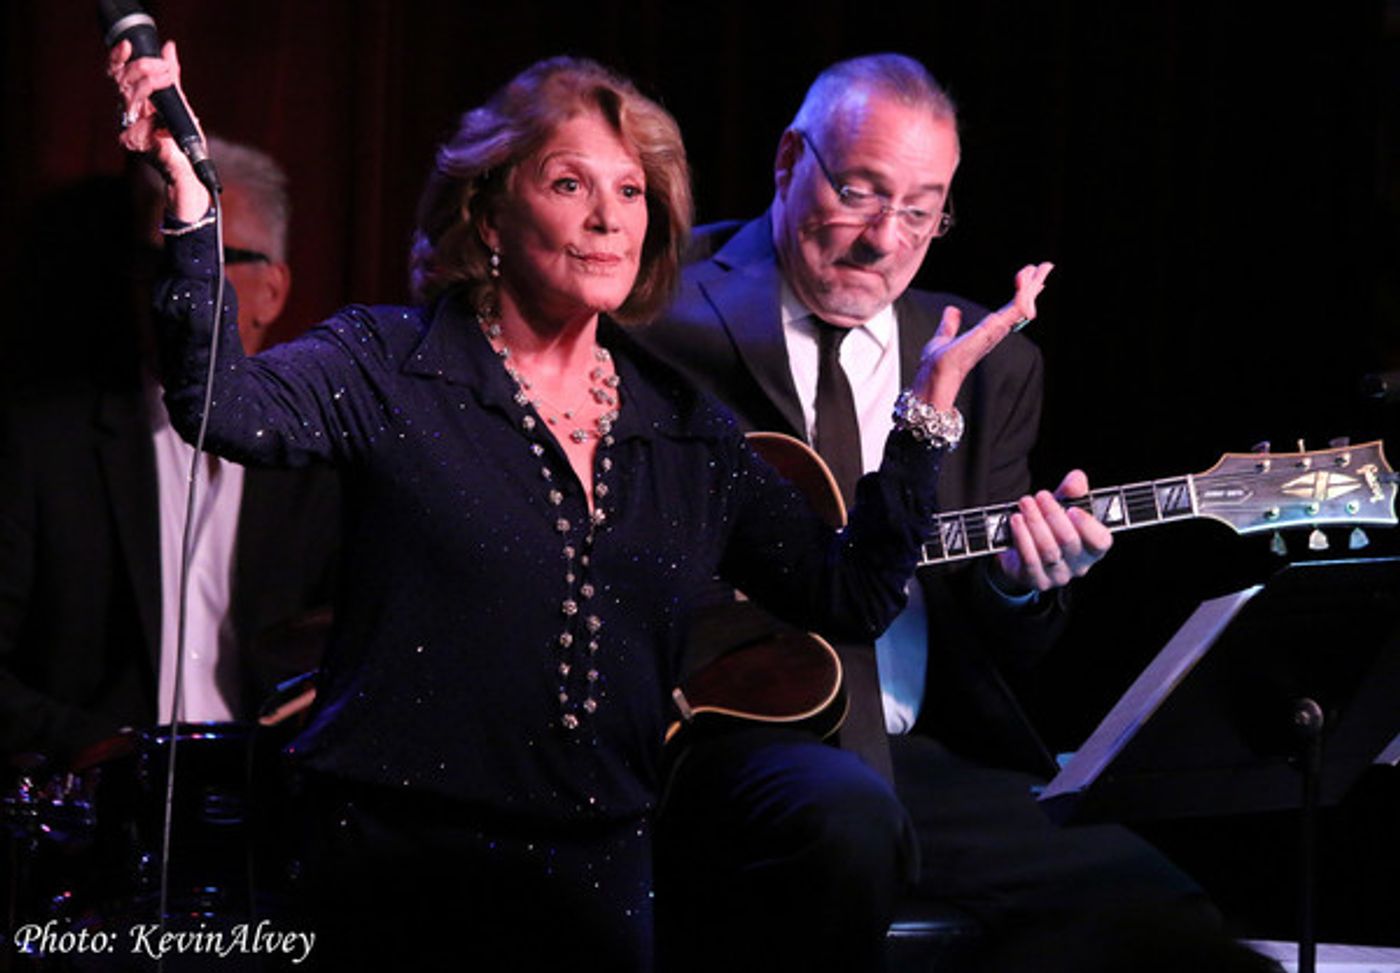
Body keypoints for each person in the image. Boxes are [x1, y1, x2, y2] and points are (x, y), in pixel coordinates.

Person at [108, 41, 1044, 971]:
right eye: (570, 184)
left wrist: (929, 407)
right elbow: (219, 407)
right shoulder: (389, 363)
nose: (608, 219)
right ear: (489, 212)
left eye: (632, 192)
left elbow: (851, 594)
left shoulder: (681, 428)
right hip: (397, 879)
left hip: (596, 887)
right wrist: (195, 206)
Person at [636, 54, 1220, 971]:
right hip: (726, 737)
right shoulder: (659, 307)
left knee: (1164, 915)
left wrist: (1024, 583)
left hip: (920, 753)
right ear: (790, 161)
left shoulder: (991, 362)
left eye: (922, 210)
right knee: (843, 826)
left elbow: (1005, 640)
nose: (886, 240)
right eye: (861, 194)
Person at [0, 135, 338, 764]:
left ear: (273, 290)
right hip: (102, 818)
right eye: (157, 259)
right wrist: (91, 747)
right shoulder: (44, 445)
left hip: (271, 817)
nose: (177, 286)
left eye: (208, 254)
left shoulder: (326, 457)